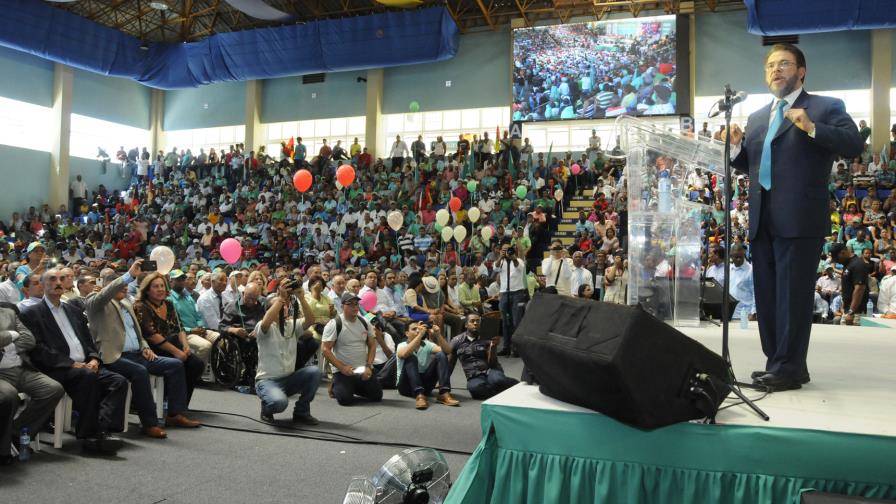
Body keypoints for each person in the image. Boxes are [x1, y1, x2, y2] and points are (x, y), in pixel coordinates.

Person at [726, 43, 863, 391]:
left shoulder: (825, 106)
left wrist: (813, 127)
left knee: (793, 296)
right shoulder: (758, 117)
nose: (776, 70)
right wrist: (737, 148)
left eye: (784, 64)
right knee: (769, 295)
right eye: (770, 65)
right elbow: (753, 166)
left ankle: (788, 367)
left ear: (801, 71)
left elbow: (853, 144)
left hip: (800, 217)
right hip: (762, 217)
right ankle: (779, 362)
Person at [20, 268, 128, 454]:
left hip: (84, 366)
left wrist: (94, 358)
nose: (58, 283)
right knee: (87, 377)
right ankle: (90, 434)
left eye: (62, 279)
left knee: (118, 381)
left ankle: (100, 429)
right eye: (52, 279)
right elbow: (38, 350)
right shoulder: (32, 313)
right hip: (56, 368)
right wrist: (70, 364)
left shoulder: (73, 309)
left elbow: (88, 340)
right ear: (43, 285)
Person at [87, 260, 199, 437]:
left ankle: (174, 413)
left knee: (175, 365)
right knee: (139, 371)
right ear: (108, 287)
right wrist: (129, 275)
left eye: (126, 285)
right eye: (121, 285)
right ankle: (149, 423)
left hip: (138, 354)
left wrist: (145, 346)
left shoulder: (126, 305)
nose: (125, 287)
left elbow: (138, 333)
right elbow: (104, 294)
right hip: (115, 357)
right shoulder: (96, 303)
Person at [0, 303, 65, 463]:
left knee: (53, 389)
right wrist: (12, 334)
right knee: (8, 396)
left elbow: (29, 340)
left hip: (20, 368)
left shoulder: (8, 312)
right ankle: (3, 448)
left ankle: (15, 434)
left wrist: (7, 346)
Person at [254, 277, 321, 425]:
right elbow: (266, 321)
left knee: (314, 372)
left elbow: (310, 320)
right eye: (280, 306)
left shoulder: (291, 325)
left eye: (285, 306)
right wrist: (281, 298)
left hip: (289, 379)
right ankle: (266, 407)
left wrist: (302, 298)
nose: (284, 307)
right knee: (280, 404)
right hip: (267, 381)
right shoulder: (263, 327)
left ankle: (302, 411)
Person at [133, 273, 206, 403]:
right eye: (155, 286)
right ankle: (171, 405)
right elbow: (152, 336)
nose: (160, 289)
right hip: (153, 349)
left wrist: (185, 346)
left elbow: (180, 328)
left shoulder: (169, 304)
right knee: (179, 364)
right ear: (147, 290)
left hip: (172, 343)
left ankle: (181, 404)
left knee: (197, 365)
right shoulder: (141, 306)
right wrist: (177, 352)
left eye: (162, 286)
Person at [321, 292, 382, 406]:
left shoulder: (364, 322)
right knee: (345, 400)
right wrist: (342, 367)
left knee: (376, 396)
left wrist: (369, 366)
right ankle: (337, 385)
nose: (354, 307)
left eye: (356, 304)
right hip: (343, 370)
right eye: (350, 304)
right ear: (342, 306)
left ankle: (349, 387)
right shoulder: (335, 324)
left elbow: (372, 345)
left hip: (362, 368)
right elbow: (325, 349)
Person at [448, 313, 518, 400]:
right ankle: (503, 394)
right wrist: (445, 384)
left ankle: (518, 386)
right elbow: (450, 363)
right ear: (466, 325)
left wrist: (493, 347)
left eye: (478, 321)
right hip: (474, 376)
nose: (475, 323)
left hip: (491, 370)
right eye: (472, 321)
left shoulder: (487, 337)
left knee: (498, 381)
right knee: (475, 389)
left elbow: (492, 363)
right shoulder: (456, 341)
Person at [395, 322, 459, 410]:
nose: (418, 330)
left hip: (425, 385)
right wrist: (420, 335)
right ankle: (419, 396)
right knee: (411, 357)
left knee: (441, 355)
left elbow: (447, 351)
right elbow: (404, 354)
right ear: (407, 333)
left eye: (419, 328)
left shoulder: (427, 344)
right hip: (405, 386)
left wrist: (438, 335)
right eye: (414, 329)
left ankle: (444, 393)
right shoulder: (402, 345)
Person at [168, 269, 219, 363]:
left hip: (198, 329)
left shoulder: (188, 297)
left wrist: (200, 327)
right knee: (205, 346)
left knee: (220, 338)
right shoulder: (169, 300)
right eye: (178, 279)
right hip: (185, 334)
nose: (181, 281)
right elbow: (174, 325)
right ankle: (195, 373)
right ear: (171, 282)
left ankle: (217, 370)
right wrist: (191, 330)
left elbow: (198, 315)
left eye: (183, 279)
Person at [495, 243, 527, 357]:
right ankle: (506, 348)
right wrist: (501, 257)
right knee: (505, 322)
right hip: (504, 293)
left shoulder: (519, 260)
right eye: (503, 250)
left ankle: (516, 349)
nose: (506, 252)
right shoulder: (501, 262)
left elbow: (519, 266)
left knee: (516, 322)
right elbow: (495, 267)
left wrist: (513, 257)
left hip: (517, 293)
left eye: (508, 250)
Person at [830, 243, 870, 326]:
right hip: (849, 311)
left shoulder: (858, 264)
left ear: (843, 252)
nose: (837, 261)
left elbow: (859, 289)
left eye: (837, 258)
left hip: (856, 313)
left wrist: (851, 311)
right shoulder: (848, 264)